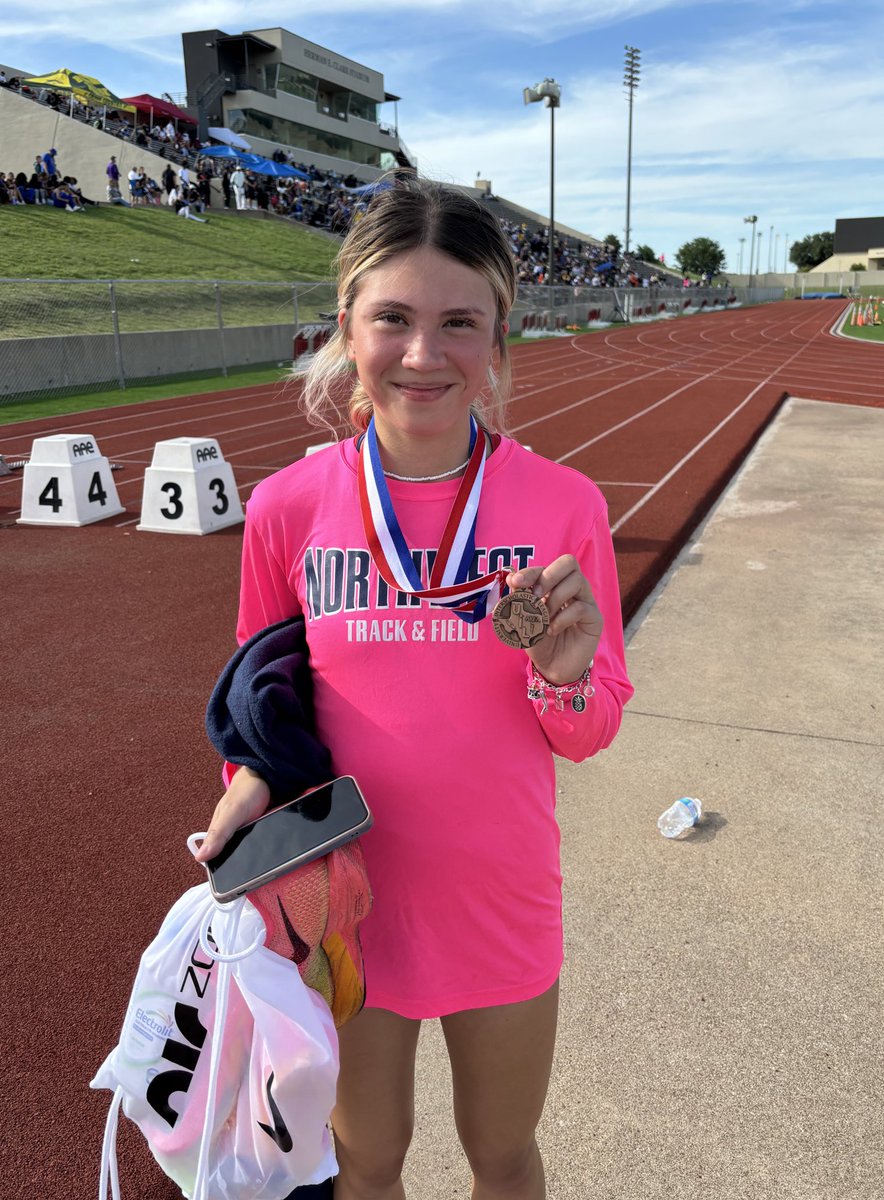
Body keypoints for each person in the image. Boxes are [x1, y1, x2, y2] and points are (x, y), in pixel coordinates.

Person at [194, 179, 632, 1200]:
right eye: (393, 317)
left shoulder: (564, 505)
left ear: (500, 336)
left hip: (500, 899)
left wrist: (564, 684)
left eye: (459, 323)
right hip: (348, 906)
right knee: (368, 1158)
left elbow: (589, 729)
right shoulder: (287, 508)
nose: (425, 355)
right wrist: (245, 789)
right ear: (347, 324)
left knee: (503, 1155)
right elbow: (266, 710)